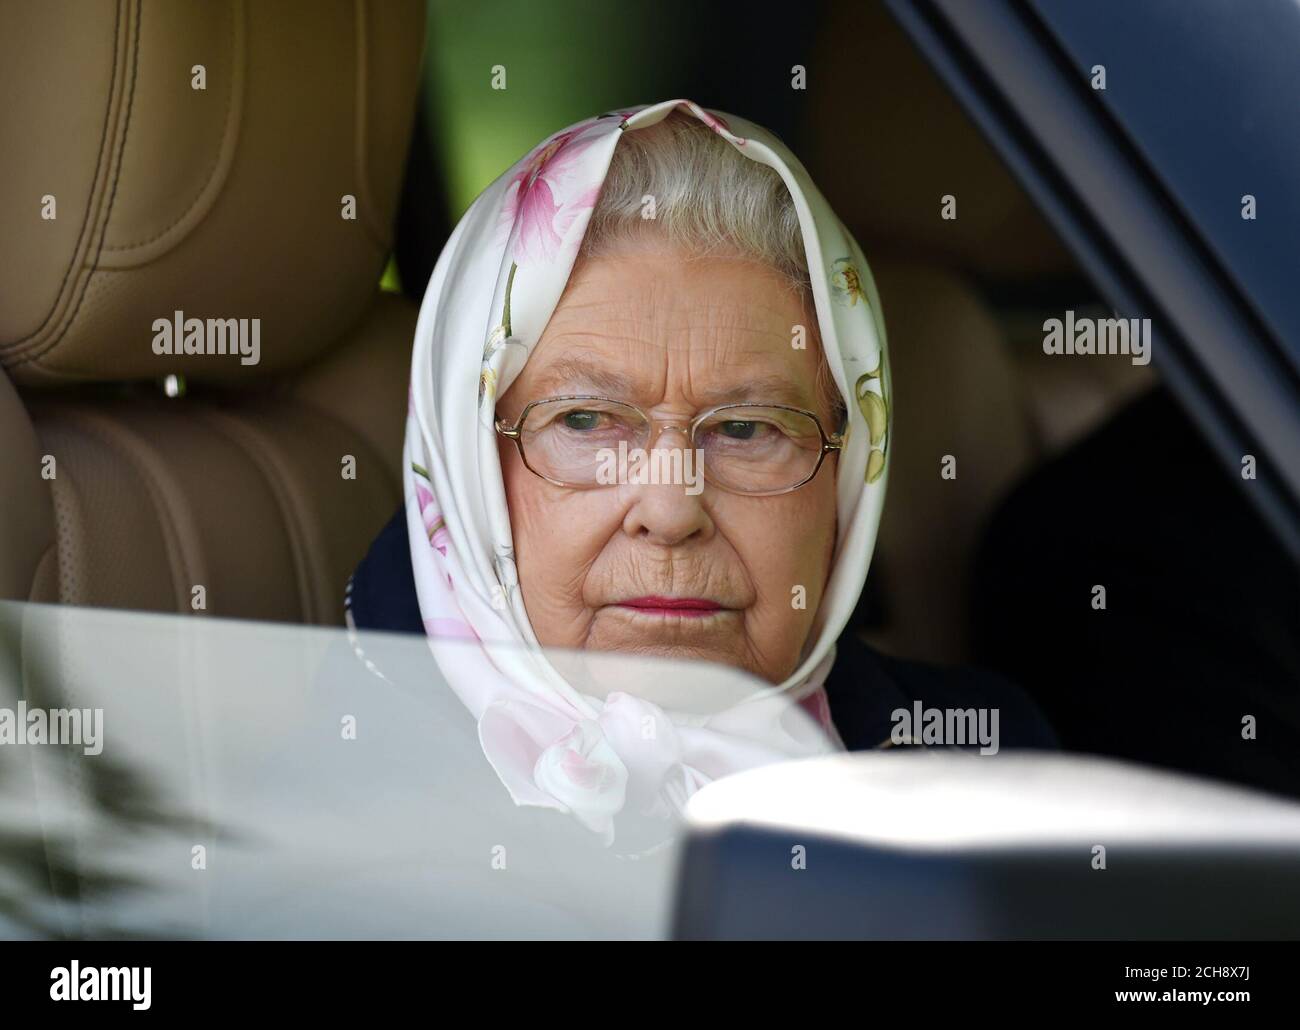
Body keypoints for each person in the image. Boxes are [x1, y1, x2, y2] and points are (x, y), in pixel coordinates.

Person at [347, 100, 1054, 844]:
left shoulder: (997, 766)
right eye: (584, 421)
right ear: (468, 476)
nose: (672, 508)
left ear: (846, 477)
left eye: (747, 429)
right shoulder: (321, 826)